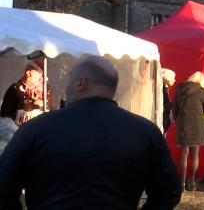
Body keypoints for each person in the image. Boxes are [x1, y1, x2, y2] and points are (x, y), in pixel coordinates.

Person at [0, 56, 181, 209]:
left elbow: (3, 185)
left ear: (80, 83)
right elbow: (169, 192)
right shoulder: (145, 132)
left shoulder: (35, 129)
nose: (67, 86)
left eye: (69, 79)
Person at [172, 71, 204, 192]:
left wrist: (177, 119)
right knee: (195, 154)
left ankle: (181, 183)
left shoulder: (179, 88)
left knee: (184, 153)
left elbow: (174, 107)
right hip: (197, 124)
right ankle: (192, 182)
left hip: (183, 124)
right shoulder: (201, 91)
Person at [1, 61, 55, 125]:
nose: (26, 73)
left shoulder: (47, 89)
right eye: (26, 69)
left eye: (31, 70)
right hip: (19, 132)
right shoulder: (15, 88)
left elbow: (53, 112)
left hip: (41, 131)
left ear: (39, 74)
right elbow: (5, 116)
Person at [161, 68, 176, 134]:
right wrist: (172, 103)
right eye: (173, 78)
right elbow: (162, 107)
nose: (174, 80)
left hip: (164, 121)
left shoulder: (164, 89)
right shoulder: (162, 90)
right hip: (162, 121)